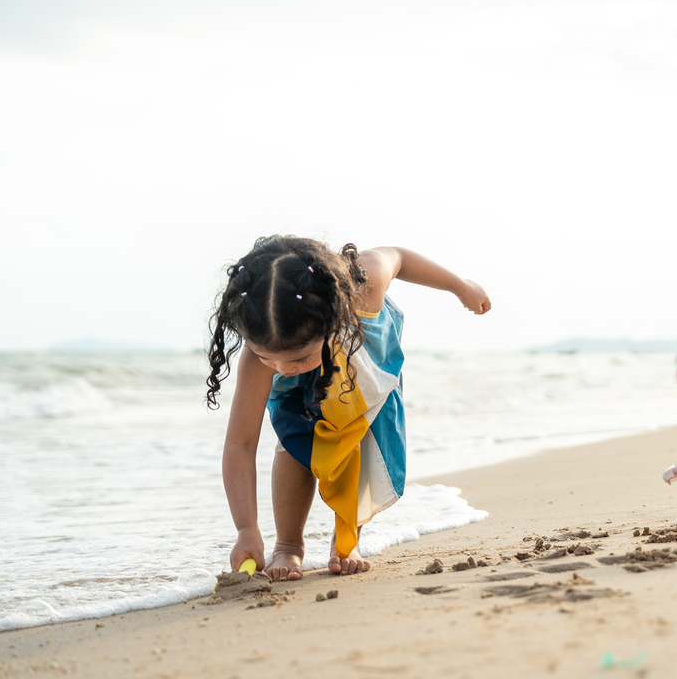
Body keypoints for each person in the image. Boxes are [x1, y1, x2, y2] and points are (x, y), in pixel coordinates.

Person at [207, 236, 490, 581]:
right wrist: (246, 529)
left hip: (364, 369)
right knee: (294, 445)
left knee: (359, 446)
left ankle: (346, 540)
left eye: (297, 358)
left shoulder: (365, 286)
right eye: (268, 357)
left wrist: (460, 287)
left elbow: (398, 257)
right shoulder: (260, 358)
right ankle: (289, 545)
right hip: (301, 393)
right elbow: (240, 443)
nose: (281, 368)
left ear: (334, 317)